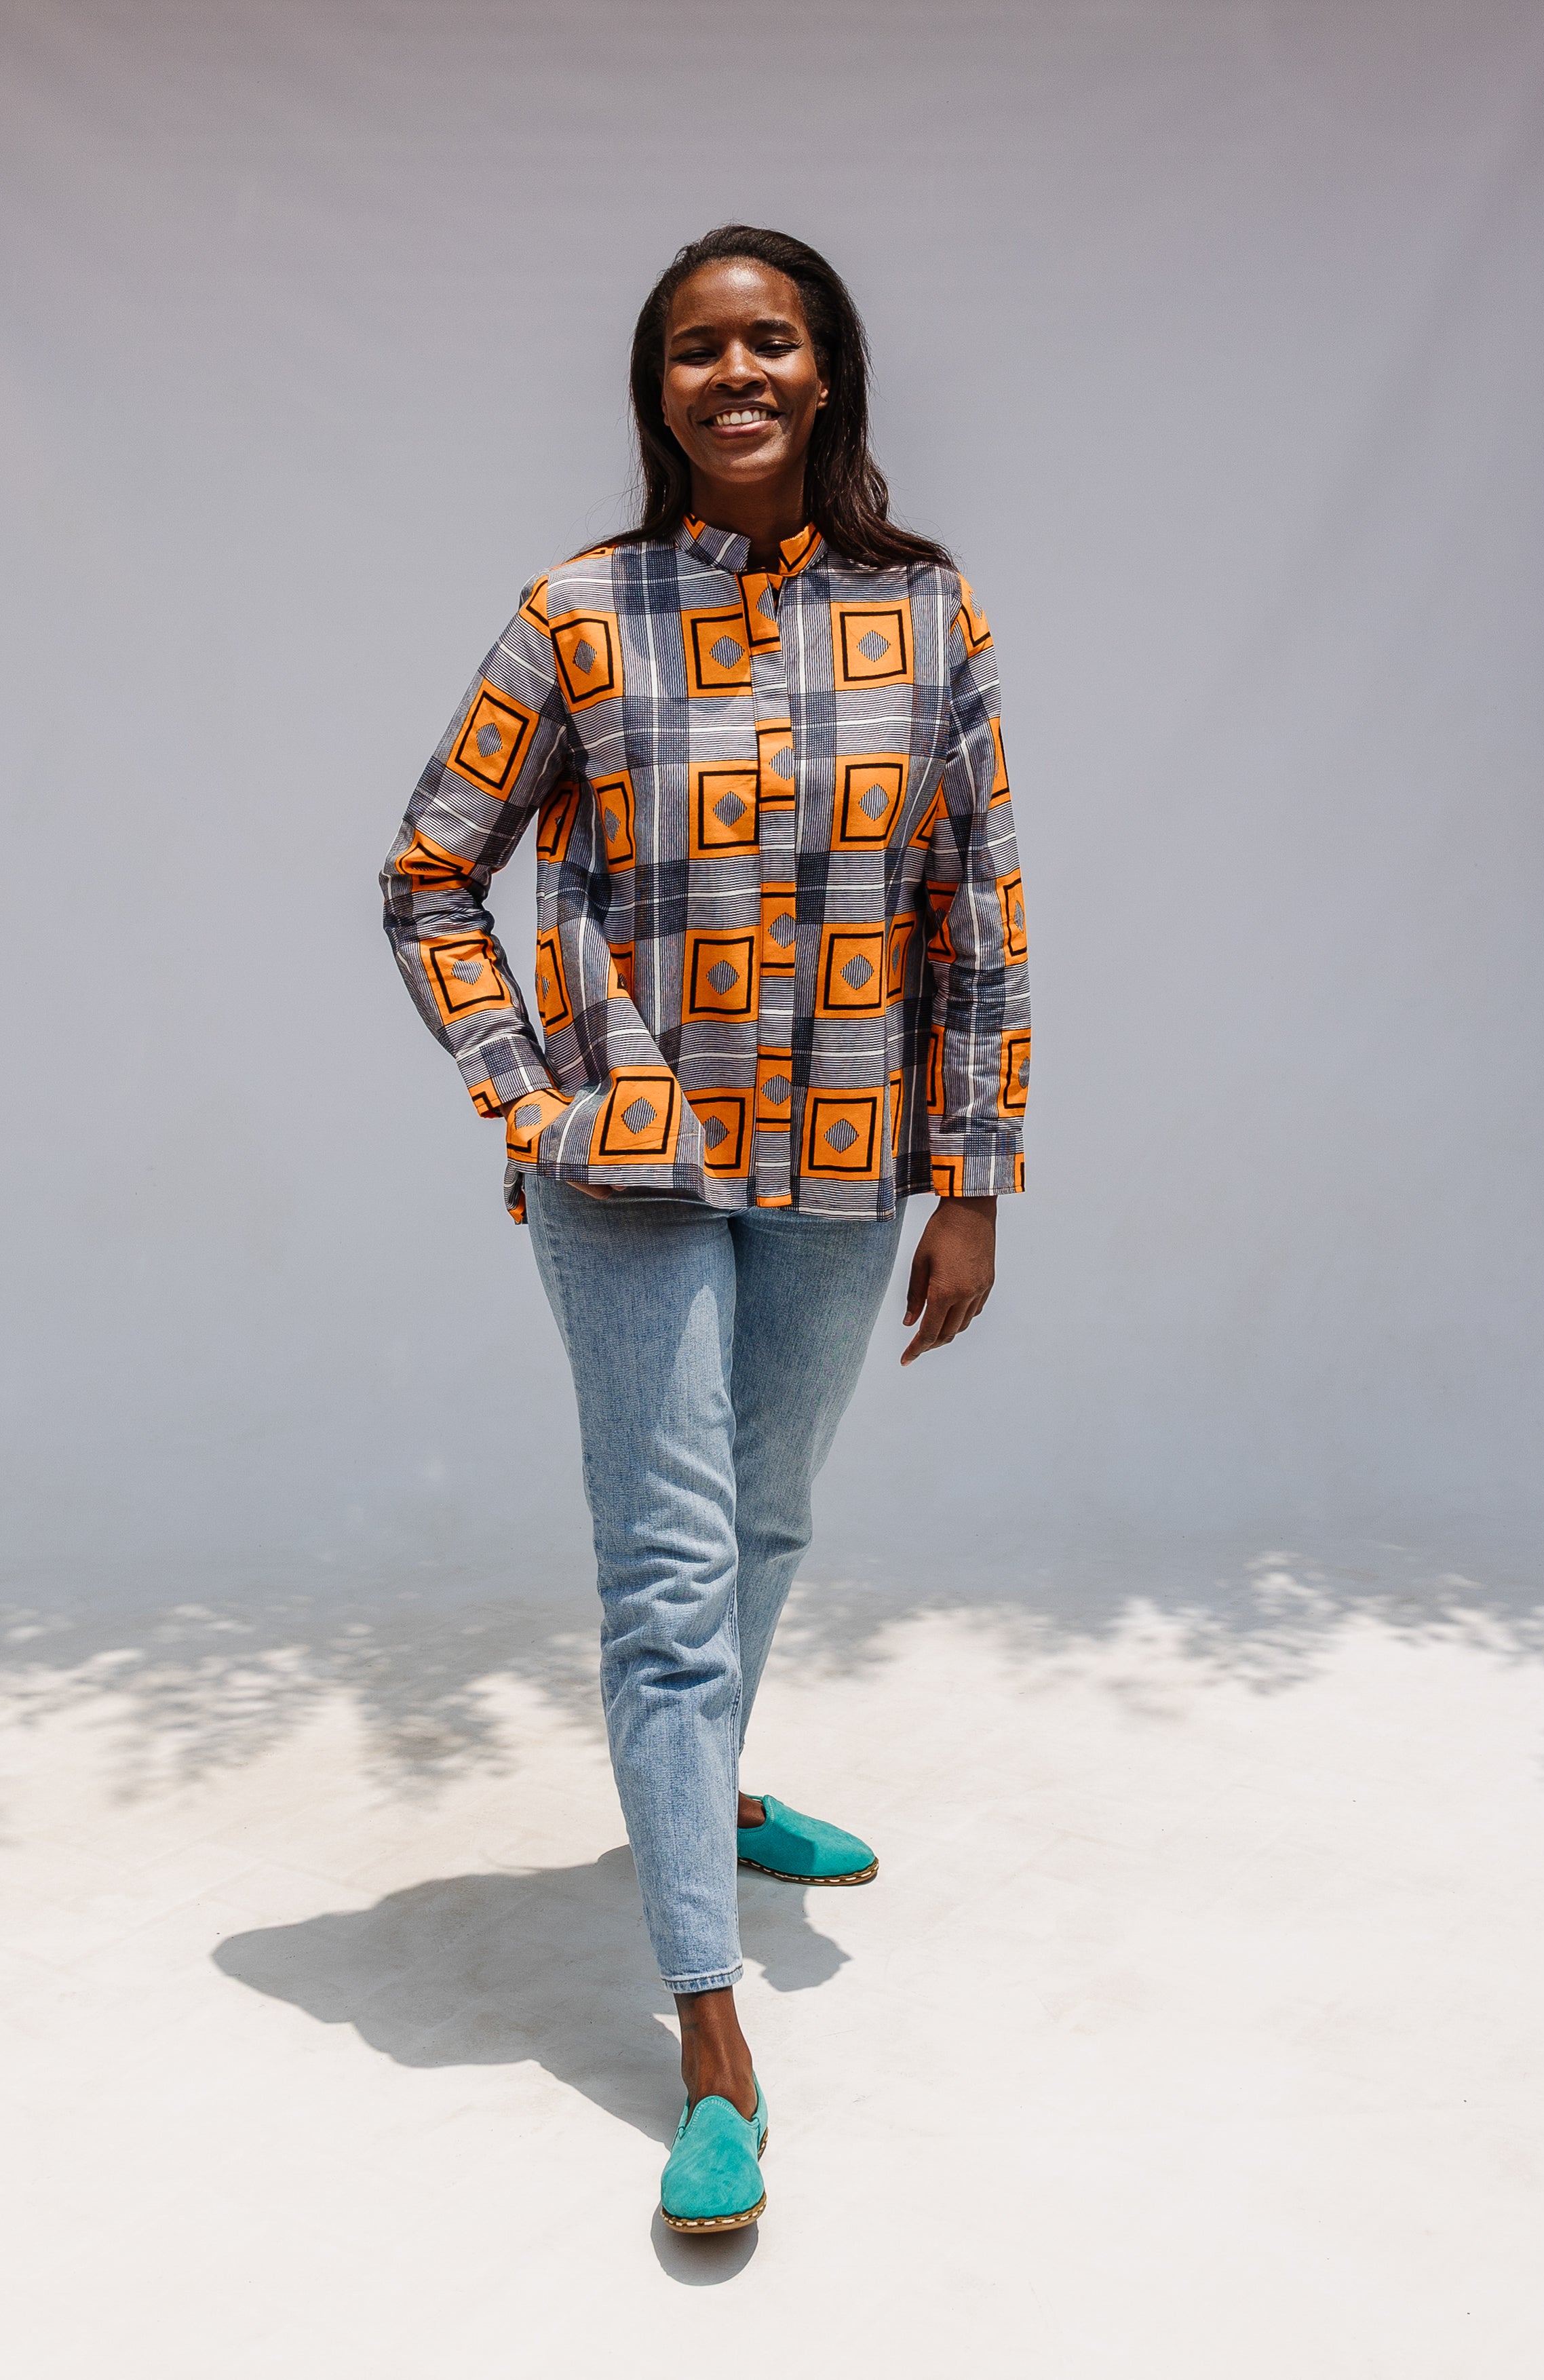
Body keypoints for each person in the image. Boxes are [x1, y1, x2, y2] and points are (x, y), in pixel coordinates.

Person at [379, 225, 1028, 2234]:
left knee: (768, 1523)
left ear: (825, 372)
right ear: (654, 389)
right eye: (692, 349)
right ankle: (709, 2029)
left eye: (767, 341)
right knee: (670, 1575)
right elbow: (428, 873)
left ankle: (710, 1796)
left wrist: (972, 1178)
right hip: (628, 1171)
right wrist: (533, 1098)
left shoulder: (928, 616)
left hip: (846, 1155)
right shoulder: (577, 617)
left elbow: (979, 906)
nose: (731, 373)